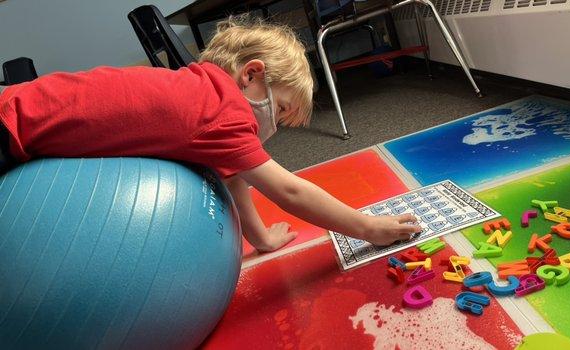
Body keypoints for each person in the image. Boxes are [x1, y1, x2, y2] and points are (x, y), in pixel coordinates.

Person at [0, 16, 421, 252]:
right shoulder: (221, 110)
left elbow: (234, 178)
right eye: (279, 109)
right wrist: (367, 227)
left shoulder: (197, 92)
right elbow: (288, 192)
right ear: (251, 74)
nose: (271, 128)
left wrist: (260, 238)